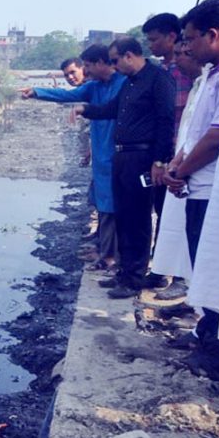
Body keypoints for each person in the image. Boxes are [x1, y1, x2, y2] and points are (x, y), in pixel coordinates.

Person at [73, 37, 174, 298]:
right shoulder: (129, 83)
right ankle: (123, 272)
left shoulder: (158, 79)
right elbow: (111, 109)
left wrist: (159, 161)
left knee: (138, 219)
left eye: (116, 60)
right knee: (123, 217)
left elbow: (165, 121)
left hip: (142, 158)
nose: (114, 65)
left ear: (129, 55)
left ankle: (134, 279)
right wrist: (86, 109)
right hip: (122, 157)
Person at [159, 0, 219, 374]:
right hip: (196, 186)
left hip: (212, 188)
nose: (186, 47)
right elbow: (195, 132)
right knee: (203, 262)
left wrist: (181, 172)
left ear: (213, 35)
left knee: (215, 263)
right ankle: (206, 332)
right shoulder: (210, 76)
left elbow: (217, 137)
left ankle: (215, 349)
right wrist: (177, 165)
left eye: (191, 39)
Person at [21, 48, 125, 270]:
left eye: (86, 66)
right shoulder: (94, 87)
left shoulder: (124, 83)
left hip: (120, 153)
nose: (83, 71)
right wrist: (37, 92)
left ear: (100, 63)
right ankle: (107, 253)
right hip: (101, 153)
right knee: (104, 205)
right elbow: (67, 96)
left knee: (115, 207)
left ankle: (112, 256)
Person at [142, 13, 189, 287]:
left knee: (183, 213)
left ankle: (181, 277)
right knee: (162, 209)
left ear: (172, 37)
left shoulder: (190, 73)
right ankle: (160, 269)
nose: (151, 45)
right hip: (163, 151)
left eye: (155, 39)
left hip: (184, 154)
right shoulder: (158, 72)